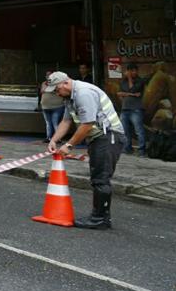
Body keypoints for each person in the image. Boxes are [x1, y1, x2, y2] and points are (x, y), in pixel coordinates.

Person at [45, 71, 125, 229]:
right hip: (99, 138)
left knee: (101, 178)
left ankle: (100, 219)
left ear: (66, 83)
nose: (56, 93)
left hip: (109, 136)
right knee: (97, 177)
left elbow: (87, 123)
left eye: (56, 89)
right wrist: (54, 140)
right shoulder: (69, 97)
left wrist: (69, 145)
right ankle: (101, 216)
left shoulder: (83, 93)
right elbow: (66, 121)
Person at [118, 63, 147, 156]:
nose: (133, 73)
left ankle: (141, 150)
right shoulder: (123, 81)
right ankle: (127, 148)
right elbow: (119, 93)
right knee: (125, 130)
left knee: (139, 130)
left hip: (136, 109)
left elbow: (131, 89)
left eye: (134, 71)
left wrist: (130, 79)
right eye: (131, 71)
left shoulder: (140, 81)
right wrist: (132, 95)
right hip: (125, 108)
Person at [39, 70, 65, 144]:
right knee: (48, 123)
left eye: (50, 75)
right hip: (45, 106)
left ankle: (58, 138)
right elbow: (42, 91)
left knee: (55, 122)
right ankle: (49, 137)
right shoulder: (44, 83)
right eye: (47, 75)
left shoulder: (58, 83)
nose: (48, 77)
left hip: (57, 106)